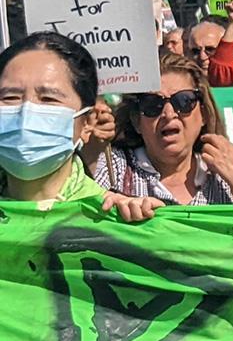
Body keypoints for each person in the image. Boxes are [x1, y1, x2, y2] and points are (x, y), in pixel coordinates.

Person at [0, 32, 162, 222]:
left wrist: (141, 226)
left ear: (87, 123)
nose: (25, 112)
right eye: (10, 97)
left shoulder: (108, 219)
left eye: (48, 99)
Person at [90, 54, 233, 205]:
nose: (169, 114)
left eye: (184, 101)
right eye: (152, 104)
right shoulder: (113, 168)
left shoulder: (223, 174)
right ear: (136, 121)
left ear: (203, 114)